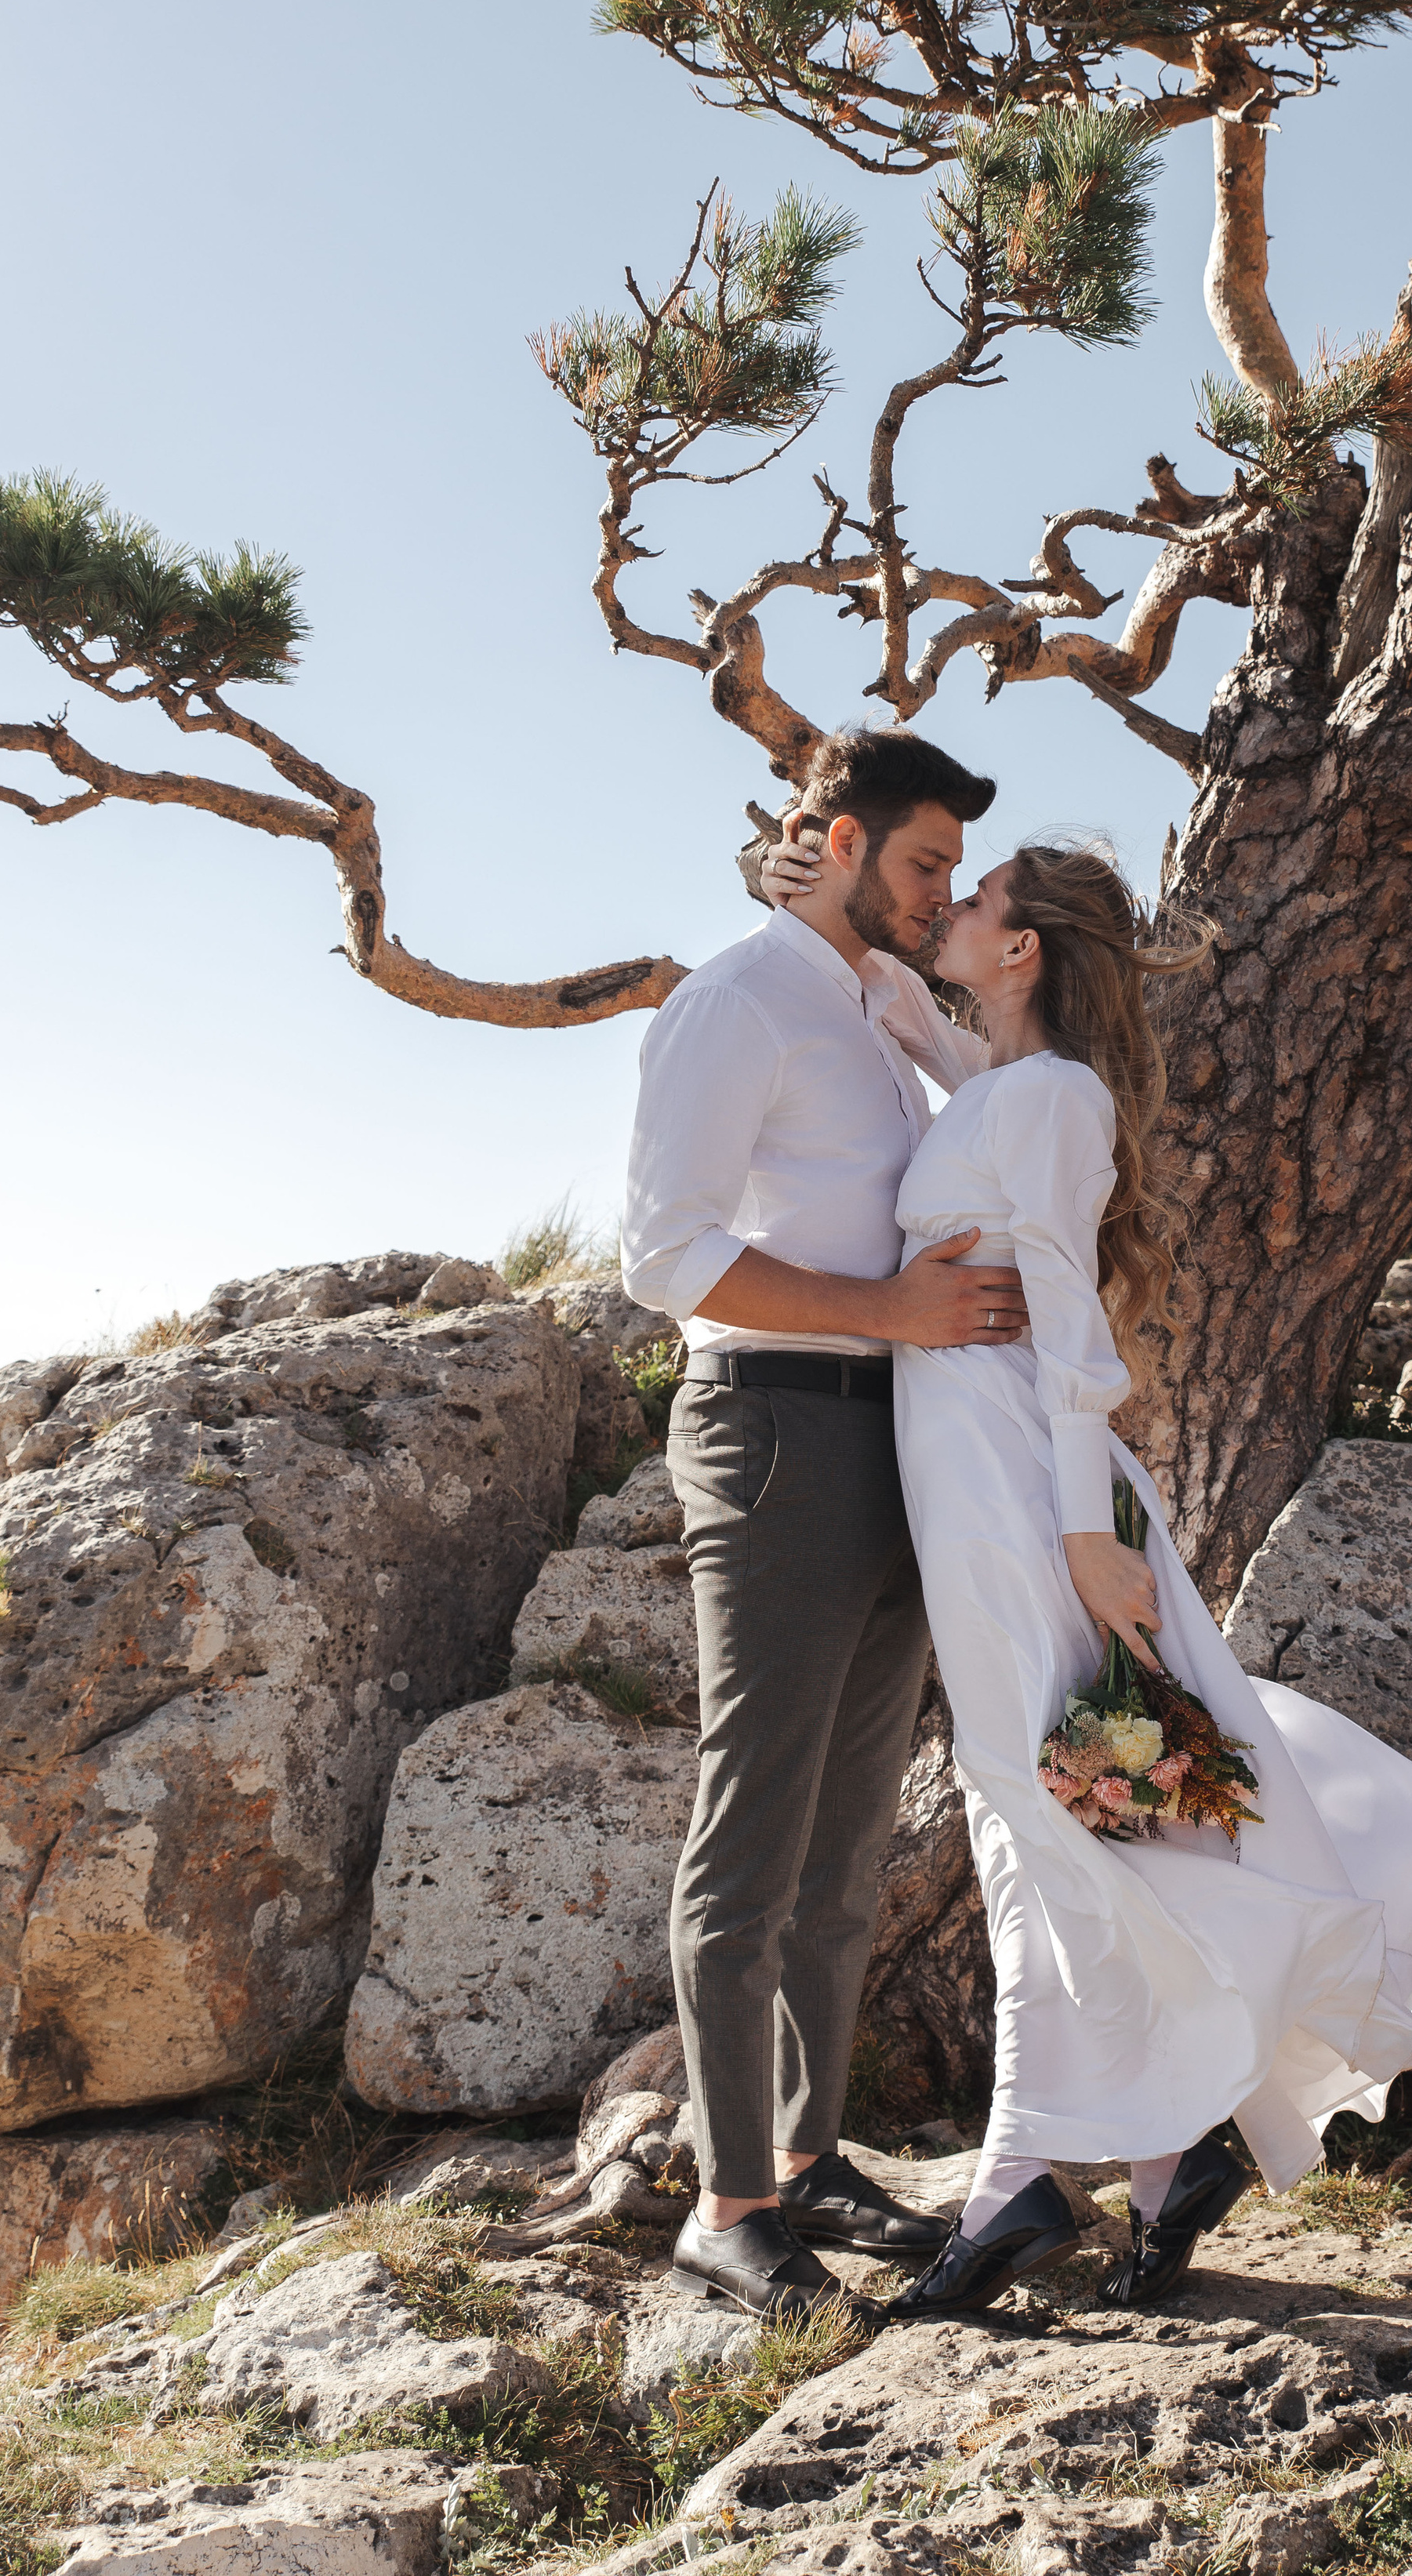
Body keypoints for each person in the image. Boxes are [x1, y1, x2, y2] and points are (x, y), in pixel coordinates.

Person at [766, 830, 1412, 2319]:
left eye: (975, 897)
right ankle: (1167, 2154)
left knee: (1042, 1804)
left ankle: (1024, 2182)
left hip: (1016, 1485)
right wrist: (832, 921)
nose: (952, 906)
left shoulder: (1051, 1099)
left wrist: (1079, 1532)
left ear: (1024, 949)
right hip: (974, 1475)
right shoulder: (1000, 1086)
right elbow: (913, 1025)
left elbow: (1064, 1311)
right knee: (1064, 1813)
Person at [619, 726, 1030, 2321]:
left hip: (896, 1435)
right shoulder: (733, 1000)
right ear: (844, 843)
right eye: (921, 864)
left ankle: (799, 2155)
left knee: (848, 1838)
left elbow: (981, 1076)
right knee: (755, 1828)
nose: (939, 894)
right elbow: (661, 1252)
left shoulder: (866, 1003)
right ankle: (725, 2209)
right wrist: (884, 1309)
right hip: (773, 1431)